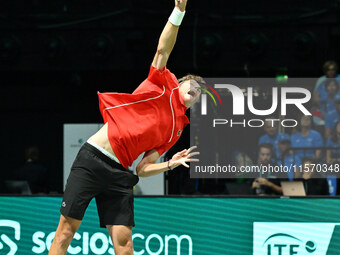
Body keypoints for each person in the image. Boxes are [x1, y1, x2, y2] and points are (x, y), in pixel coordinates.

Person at [49, 1, 201, 254]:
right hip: (93, 158)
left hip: (120, 172)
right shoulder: (162, 82)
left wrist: (170, 164)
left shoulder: (176, 129)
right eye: (193, 85)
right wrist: (179, 12)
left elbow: (142, 169)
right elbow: (164, 47)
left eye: (199, 93)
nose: (196, 91)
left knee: (125, 243)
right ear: (181, 84)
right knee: (65, 231)